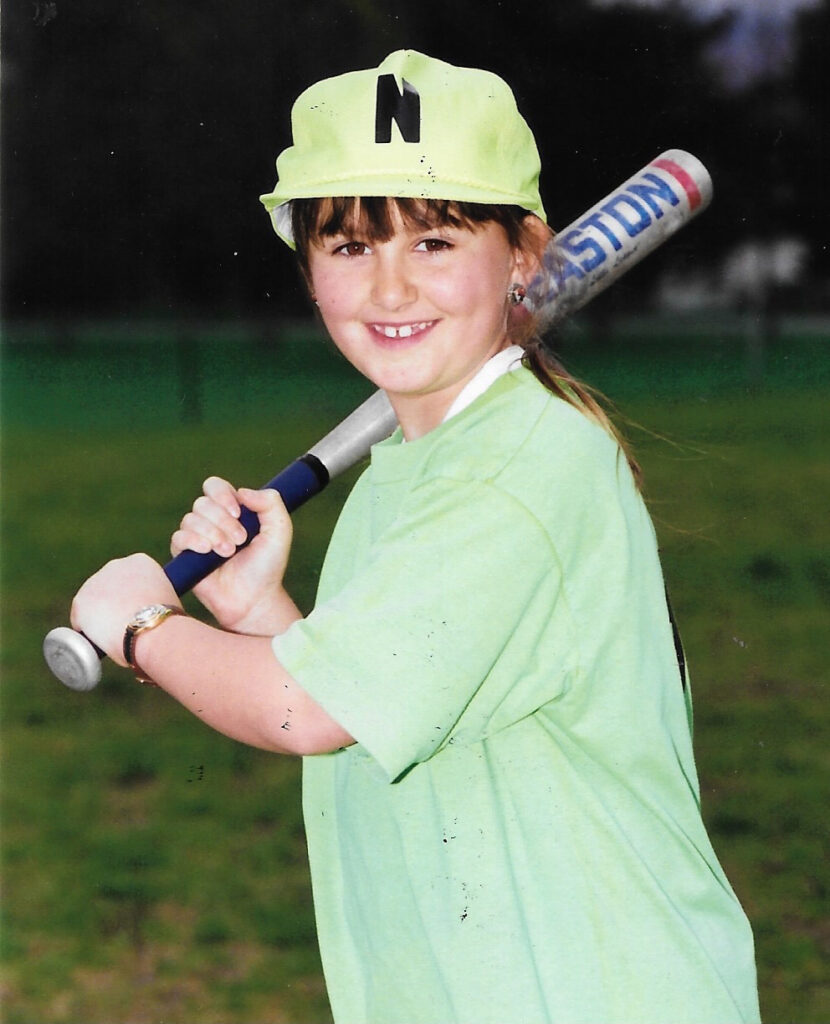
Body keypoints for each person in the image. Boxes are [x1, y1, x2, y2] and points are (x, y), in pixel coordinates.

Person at [71, 50, 761, 1024]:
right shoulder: (413, 468)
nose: (390, 288)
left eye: (433, 242)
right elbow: (385, 714)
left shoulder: (520, 468)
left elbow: (301, 711)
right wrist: (261, 612)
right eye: (350, 247)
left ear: (521, 257)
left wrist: (140, 622)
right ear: (306, 267)